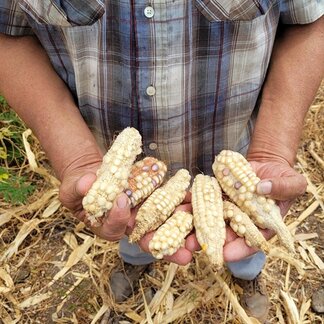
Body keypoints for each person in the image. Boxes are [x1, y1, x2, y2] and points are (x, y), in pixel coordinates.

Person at [0, 1, 323, 322]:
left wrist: (272, 149)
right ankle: (135, 261)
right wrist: (76, 157)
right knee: (131, 227)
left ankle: (247, 273)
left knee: (244, 234)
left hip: (238, 152)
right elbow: (8, 34)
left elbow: (311, 20)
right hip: (125, 176)